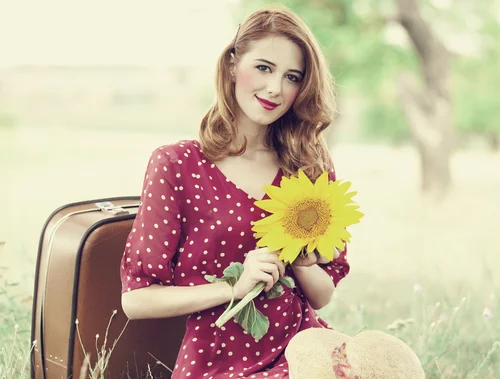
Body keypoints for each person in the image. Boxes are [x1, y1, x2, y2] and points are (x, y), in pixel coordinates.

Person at [120, 5, 349, 379]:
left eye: (292, 77)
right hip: (221, 360)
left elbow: (323, 295)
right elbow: (137, 299)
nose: (275, 88)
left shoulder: (308, 164)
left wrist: (303, 262)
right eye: (263, 67)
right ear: (231, 65)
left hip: (305, 347)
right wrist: (234, 287)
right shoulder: (177, 164)